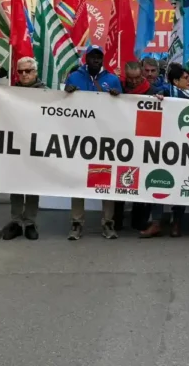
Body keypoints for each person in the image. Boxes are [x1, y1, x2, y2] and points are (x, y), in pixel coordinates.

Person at [141, 65, 189, 238]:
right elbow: (152, 100)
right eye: (185, 78)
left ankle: (176, 222)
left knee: (180, 183)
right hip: (164, 147)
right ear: (176, 81)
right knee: (158, 180)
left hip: (184, 149)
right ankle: (156, 222)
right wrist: (157, 98)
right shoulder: (166, 92)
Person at [64, 46, 122, 240]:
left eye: (99, 57)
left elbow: (123, 110)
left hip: (104, 138)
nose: (96, 60)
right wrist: (68, 93)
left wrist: (117, 98)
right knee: (78, 180)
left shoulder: (112, 79)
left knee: (105, 181)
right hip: (80, 137)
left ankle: (108, 223)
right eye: (92, 57)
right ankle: (76, 223)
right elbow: (64, 106)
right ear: (86, 58)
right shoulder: (74, 77)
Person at [3, 57, 45, 241]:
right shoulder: (10, 92)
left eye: (28, 71)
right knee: (16, 183)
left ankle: (29, 222)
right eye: (21, 72)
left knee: (32, 184)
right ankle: (15, 221)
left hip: (36, 145)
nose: (24, 75)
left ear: (35, 72)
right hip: (16, 145)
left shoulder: (45, 93)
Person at [122, 60, 164, 230]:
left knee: (143, 178)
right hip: (124, 141)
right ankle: (117, 218)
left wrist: (162, 101)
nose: (133, 82)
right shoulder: (120, 88)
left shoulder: (155, 91)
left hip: (146, 142)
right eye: (130, 79)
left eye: (137, 78)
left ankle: (143, 217)